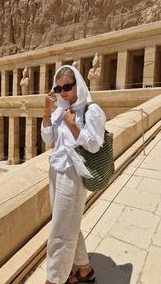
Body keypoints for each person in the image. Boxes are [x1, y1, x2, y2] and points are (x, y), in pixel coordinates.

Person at [41, 65, 106, 284]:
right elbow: (48, 139)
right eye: (57, 88)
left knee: (60, 232)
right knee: (67, 224)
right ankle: (85, 270)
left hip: (73, 175)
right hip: (56, 171)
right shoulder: (60, 109)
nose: (62, 92)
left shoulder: (91, 110)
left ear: (78, 84)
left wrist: (73, 126)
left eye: (67, 87)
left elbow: (95, 145)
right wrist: (46, 113)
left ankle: (54, 279)